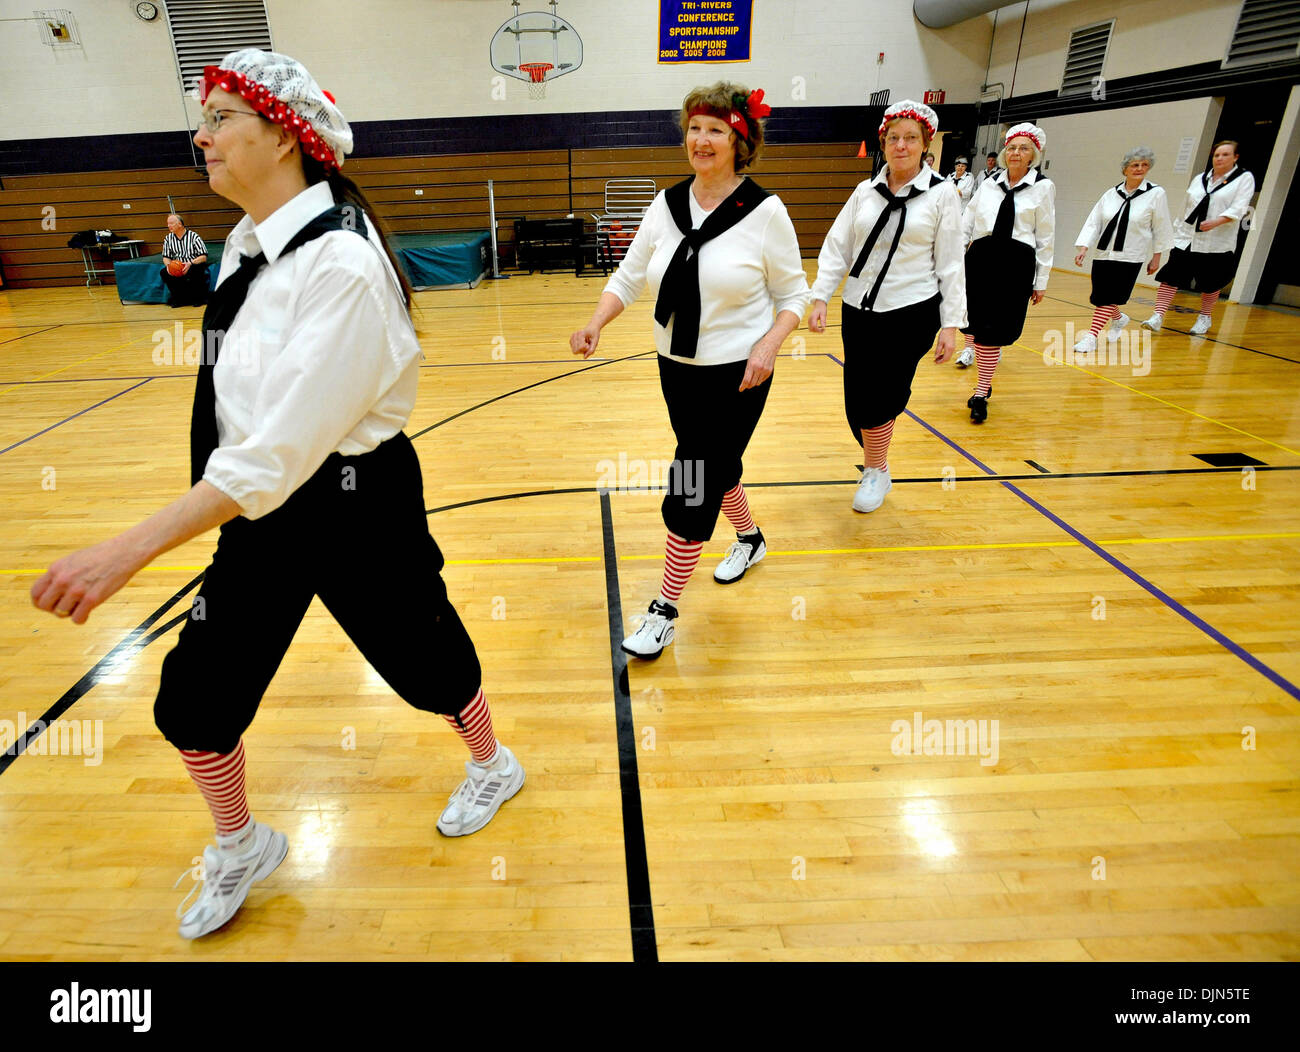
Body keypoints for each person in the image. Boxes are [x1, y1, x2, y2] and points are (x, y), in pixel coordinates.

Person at [30, 49, 523, 940]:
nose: (201, 134)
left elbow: (275, 455)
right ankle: (241, 841)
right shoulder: (246, 245)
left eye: (220, 117)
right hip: (259, 512)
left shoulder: (340, 266)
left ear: (287, 136)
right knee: (191, 700)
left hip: (352, 500)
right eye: (205, 116)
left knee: (425, 659)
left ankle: (492, 761)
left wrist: (126, 550)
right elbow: (246, 432)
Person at [570, 82, 809, 659]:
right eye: (694, 128)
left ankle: (664, 609)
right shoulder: (667, 204)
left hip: (740, 372)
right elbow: (629, 276)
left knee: (691, 478)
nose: (701, 140)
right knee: (715, 458)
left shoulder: (765, 212)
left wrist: (770, 345)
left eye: (716, 131)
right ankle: (749, 539)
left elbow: (793, 294)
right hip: (675, 366)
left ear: (739, 140)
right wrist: (597, 321)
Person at [809, 100, 965, 512]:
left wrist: (951, 324)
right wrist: (821, 295)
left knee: (881, 396)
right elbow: (837, 246)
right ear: (883, 143)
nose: (901, 146)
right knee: (857, 399)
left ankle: (875, 470)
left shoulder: (943, 194)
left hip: (910, 312)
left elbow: (951, 262)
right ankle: (877, 461)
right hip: (859, 310)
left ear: (925, 145)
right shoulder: (865, 191)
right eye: (893, 138)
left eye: (910, 138)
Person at [957, 123, 1054, 422]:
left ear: (1033, 155)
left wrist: (1041, 279)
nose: (1015, 153)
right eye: (1011, 147)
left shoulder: (1043, 188)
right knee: (975, 325)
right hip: (982, 258)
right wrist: (954, 258)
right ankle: (982, 383)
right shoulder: (988, 184)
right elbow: (968, 220)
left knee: (993, 333)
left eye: (1023, 148)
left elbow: (1046, 235)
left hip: (1016, 263)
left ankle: (981, 390)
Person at [1143, 140, 1255, 336]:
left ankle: (1205, 317)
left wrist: (1217, 221)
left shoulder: (1243, 178)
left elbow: (1240, 206)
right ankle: (1157, 316)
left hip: (1216, 243)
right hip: (1187, 238)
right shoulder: (1200, 179)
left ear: (1235, 157)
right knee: (1170, 277)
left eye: (1225, 154)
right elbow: (1185, 208)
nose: (1219, 158)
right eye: (1216, 155)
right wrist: (1175, 233)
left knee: (1210, 283)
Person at [1072, 146, 1173, 353]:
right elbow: (1094, 223)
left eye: (1144, 165)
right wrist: (1084, 248)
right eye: (1134, 165)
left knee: (1111, 295)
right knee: (1101, 296)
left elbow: (1161, 227)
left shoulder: (1156, 194)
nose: (1139, 169)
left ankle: (1091, 336)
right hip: (1104, 253)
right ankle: (1119, 318)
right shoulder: (1111, 194)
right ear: (1125, 169)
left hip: (1130, 256)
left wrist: (1156, 257)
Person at [161, 213, 210, 307]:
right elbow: (166, 257)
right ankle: (179, 299)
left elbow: (203, 257)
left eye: (171, 223)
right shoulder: (168, 238)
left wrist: (190, 263)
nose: (168, 226)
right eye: (168, 223)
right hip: (177, 265)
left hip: (192, 263)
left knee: (197, 270)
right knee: (164, 272)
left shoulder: (193, 236)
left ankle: (198, 298)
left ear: (180, 224)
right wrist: (169, 266)